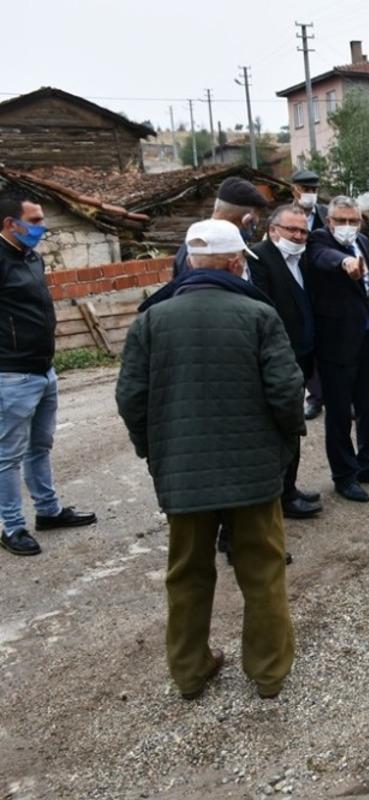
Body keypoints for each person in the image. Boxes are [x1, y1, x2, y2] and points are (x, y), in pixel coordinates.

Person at [116, 219, 303, 701]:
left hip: (183, 474)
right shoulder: (259, 314)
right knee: (262, 570)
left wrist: (155, 451)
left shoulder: (152, 318)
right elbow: (286, 392)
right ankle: (268, 673)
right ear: (237, 262)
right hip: (254, 472)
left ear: (191, 262)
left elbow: (130, 397)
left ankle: (190, 672)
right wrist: (283, 448)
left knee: (187, 574)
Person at [0, 192, 97, 556]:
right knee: (8, 455)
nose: (43, 226)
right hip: (11, 375)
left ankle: (48, 510)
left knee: (40, 446)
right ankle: (11, 527)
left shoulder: (31, 258)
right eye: (36, 220)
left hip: (44, 369)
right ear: (11, 224)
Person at [306, 196, 369, 502]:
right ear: (329, 221)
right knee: (338, 415)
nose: (348, 227)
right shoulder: (318, 241)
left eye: (354, 221)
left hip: (365, 341)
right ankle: (345, 476)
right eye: (341, 221)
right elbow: (323, 257)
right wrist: (344, 262)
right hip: (335, 345)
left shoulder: (363, 242)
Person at [250, 205, 323, 519]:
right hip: (278, 361)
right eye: (291, 230)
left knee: (294, 427)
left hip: (303, 357)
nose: (298, 236)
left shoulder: (304, 258)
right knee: (279, 429)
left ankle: (288, 488)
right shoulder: (258, 260)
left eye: (303, 231)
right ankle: (277, 496)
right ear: (273, 229)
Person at [171, 177, 269, 278]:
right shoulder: (203, 250)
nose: (253, 229)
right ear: (247, 220)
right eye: (253, 224)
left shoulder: (193, 246)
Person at [290, 169, 328, 421]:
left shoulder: (326, 214)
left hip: (327, 287)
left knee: (332, 344)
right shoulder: (285, 216)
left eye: (314, 190)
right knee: (306, 346)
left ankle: (341, 397)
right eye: (306, 190)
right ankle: (314, 397)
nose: (310, 195)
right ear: (294, 190)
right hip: (298, 285)